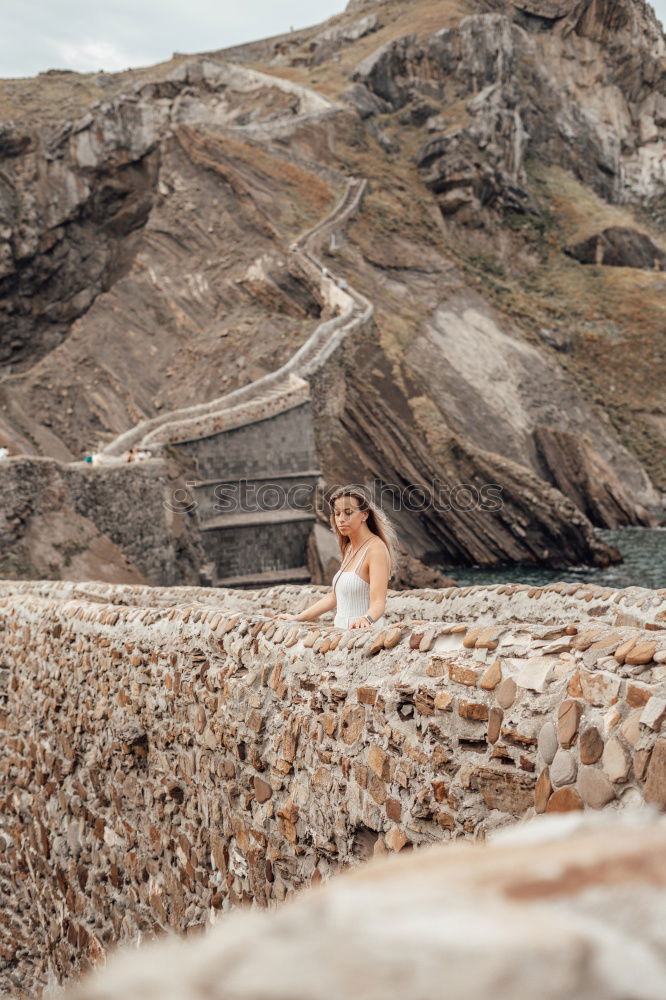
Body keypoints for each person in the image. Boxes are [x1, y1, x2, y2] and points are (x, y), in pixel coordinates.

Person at [272, 484, 398, 629]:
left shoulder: (376, 549)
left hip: (364, 634)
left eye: (348, 512)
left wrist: (366, 619)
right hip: (342, 635)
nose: (341, 519)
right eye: (337, 514)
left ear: (364, 515)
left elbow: (379, 603)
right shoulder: (350, 548)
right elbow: (335, 596)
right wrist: (297, 618)